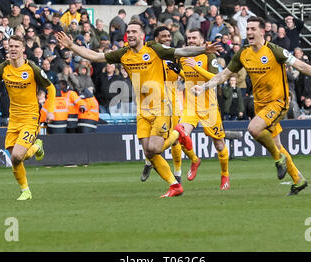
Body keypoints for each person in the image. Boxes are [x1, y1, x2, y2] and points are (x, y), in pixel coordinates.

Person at [56, 20, 221, 197]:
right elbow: (95, 56)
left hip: (161, 107)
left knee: (155, 148)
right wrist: (71, 46)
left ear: (142, 35)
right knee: (148, 151)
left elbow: (181, 51)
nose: (131, 34)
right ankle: (174, 185)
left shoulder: (154, 49)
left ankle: (177, 134)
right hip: (143, 110)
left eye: (135, 31)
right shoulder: (123, 54)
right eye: (129, 32)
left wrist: (204, 49)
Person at [191, 16, 311, 195]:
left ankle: (278, 160)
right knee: (276, 144)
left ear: (262, 31)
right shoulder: (243, 54)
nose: (249, 32)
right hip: (260, 105)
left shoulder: (274, 51)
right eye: (248, 29)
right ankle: (298, 180)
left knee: (254, 129)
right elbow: (223, 75)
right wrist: (205, 86)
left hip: (278, 102)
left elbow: (301, 66)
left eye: (253, 29)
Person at [0, 35, 56, 201]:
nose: (13, 49)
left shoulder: (32, 68)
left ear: (23, 49)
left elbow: (51, 88)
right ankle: (26, 190)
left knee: (16, 155)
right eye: (11, 46)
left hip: (30, 117)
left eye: (17, 46)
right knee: (15, 159)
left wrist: (49, 110)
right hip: (14, 119)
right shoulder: (4, 68)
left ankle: (36, 146)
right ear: (7, 49)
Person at [176, 28, 230, 190]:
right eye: (189, 38)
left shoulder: (209, 55)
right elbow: (183, 74)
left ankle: (225, 175)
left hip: (209, 106)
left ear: (202, 40)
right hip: (190, 106)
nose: (191, 40)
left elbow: (216, 79)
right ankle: (194, 160)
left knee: (219, 144)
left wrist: (196, 67)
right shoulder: (183, 56)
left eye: (194, 38)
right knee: (180, 133)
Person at [140, 26, 190, 183]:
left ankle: (178, 172)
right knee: (147, 137)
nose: (168, 38)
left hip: (172, 104)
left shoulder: (174, 56)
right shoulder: (152, 55)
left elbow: (188, 77)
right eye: (164, 36)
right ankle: (149, 162)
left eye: (169, 36)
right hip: (151, 102)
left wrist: (180, 71)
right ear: (156, 39)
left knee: (174, 140)